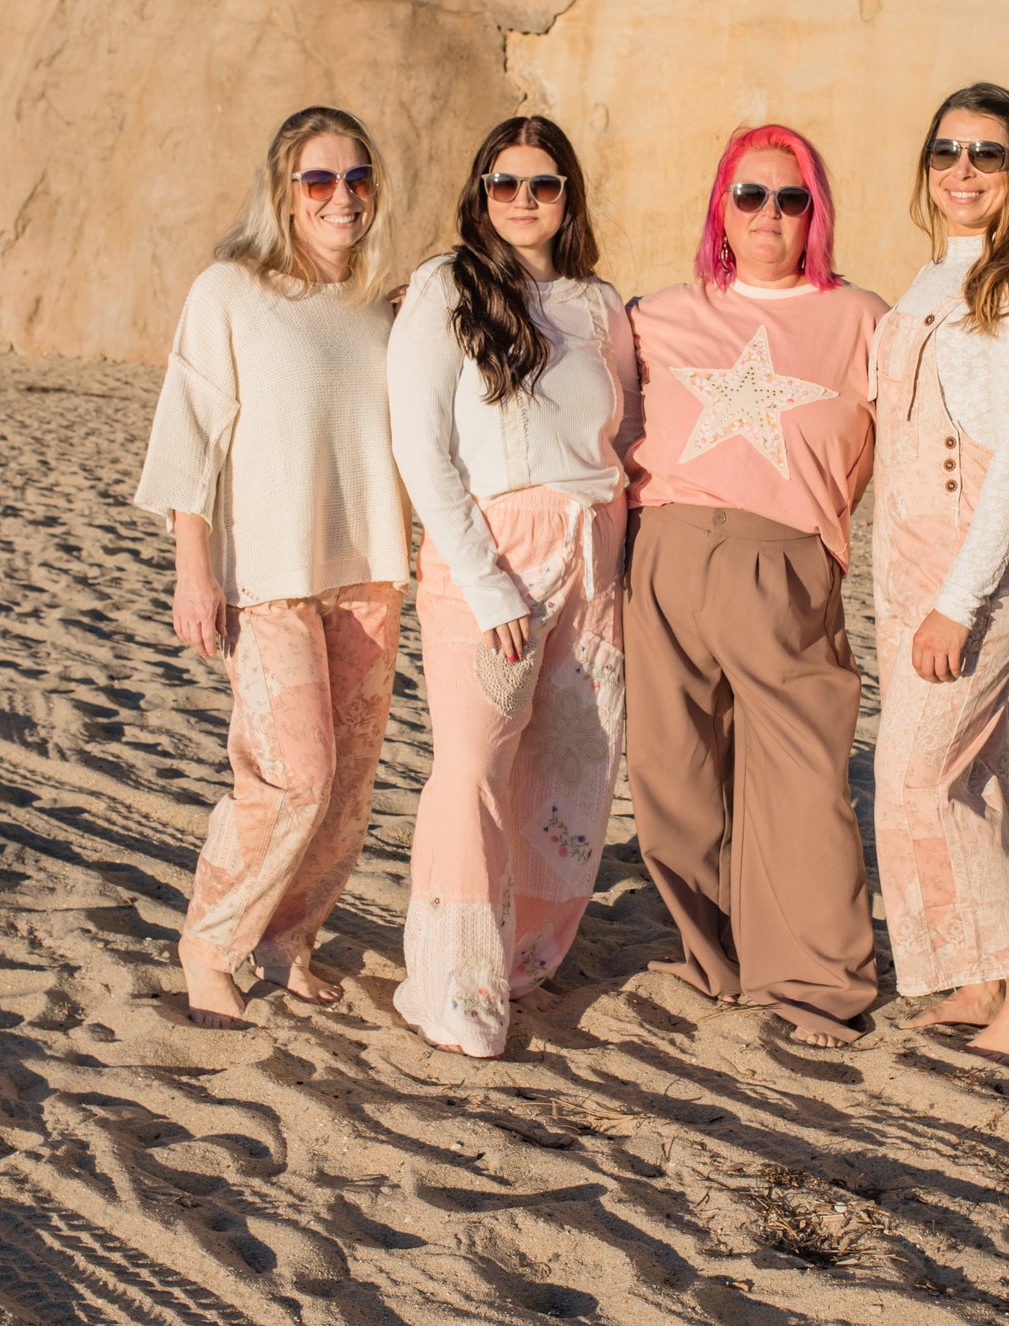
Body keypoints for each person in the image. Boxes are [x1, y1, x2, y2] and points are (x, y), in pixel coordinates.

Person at [135, 106, 409, 1028]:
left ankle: (289, 940)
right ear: (284, 193)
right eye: (319, 180)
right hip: (270, 580)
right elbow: (189, 433)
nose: (342, 197)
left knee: (348, 791)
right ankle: (210, 944)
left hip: (370, 572)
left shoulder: (377, 307)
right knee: (295, 777)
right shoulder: (231, 291)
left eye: (357, 178)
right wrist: (193, 569)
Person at [623, 124, 885, 1048]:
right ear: (720, 209)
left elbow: (911, 427)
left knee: (802, 777)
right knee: (674, 771)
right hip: (662, 553)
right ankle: (712, 956)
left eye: (789, 197)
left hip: (782, 562)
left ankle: (817, 983)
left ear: (815, 213)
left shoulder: (859, 319)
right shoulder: (655, 315)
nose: (767, 214)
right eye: (749, 195)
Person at [386, 116, 641, 1057]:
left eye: (543, 184)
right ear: (480, 193)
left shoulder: (598, 303)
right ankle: (452, 986)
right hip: (491, 556)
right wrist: (488, 585)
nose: (524, 201)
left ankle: (521, 956)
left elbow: (625, 432)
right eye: (504, 184)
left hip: (593, 552)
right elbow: (421, 448)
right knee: (473, 768)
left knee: (572, 767)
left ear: (568, 195)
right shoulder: (445, 286)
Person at [871, 82, 1009, 1065]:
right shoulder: (926, 278)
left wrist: (957, 602)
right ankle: (978, 972)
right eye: (945, 151)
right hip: (901, 551)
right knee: (976, 766)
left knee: (916, 774)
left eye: (985, 154)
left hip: (976, 565)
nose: (962, 170)